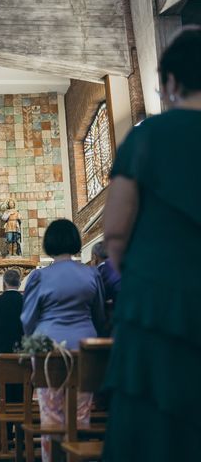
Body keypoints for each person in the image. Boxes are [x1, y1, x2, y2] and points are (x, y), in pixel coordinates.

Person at [102, 27, 201, 462]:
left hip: (156, 300)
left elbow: (116, 231)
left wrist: (140, 273)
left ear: (172, 83)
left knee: (153, 428)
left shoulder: (147, 137)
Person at [21, 219, 105, 462]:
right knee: (80, 413)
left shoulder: (39, 277)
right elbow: (99, 313)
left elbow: (28, 317)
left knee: (52, 416)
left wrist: (30, 341)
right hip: (85, 348)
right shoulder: (91, 273)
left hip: (49, 349)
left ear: (49, 243)